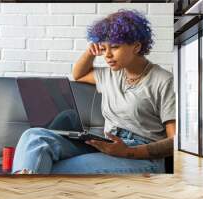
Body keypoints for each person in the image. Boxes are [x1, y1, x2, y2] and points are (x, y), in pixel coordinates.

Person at [11, 9, 176, 175]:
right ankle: (23, 191)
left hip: (142, 156)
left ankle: (22, 194)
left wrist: (127, 152)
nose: (107, 55)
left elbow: (174, 142)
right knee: (34, 136)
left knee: (51, 169)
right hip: (105, 143)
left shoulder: (163, 80)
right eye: (104, 49)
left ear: (136, 46)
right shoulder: (110, 74)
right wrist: (90, 52)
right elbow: (78, 74)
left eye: (114, 47)